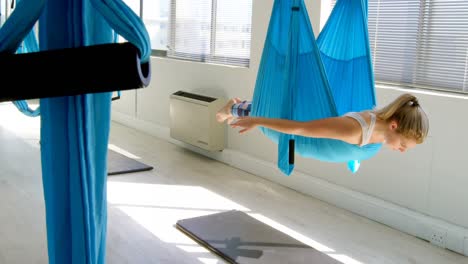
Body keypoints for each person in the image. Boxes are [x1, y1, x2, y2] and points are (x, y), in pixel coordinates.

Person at [216, 93, 429, 152]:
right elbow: (301, 128)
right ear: (394, 126)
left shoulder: (381, 125)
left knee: (261, 108)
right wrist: (257, 122)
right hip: (299, 119)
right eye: (403, 145)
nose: (402, 150)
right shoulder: (354, 130)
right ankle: (231, 107)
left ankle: (237, 106)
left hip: (308, 109)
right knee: (259, 111)